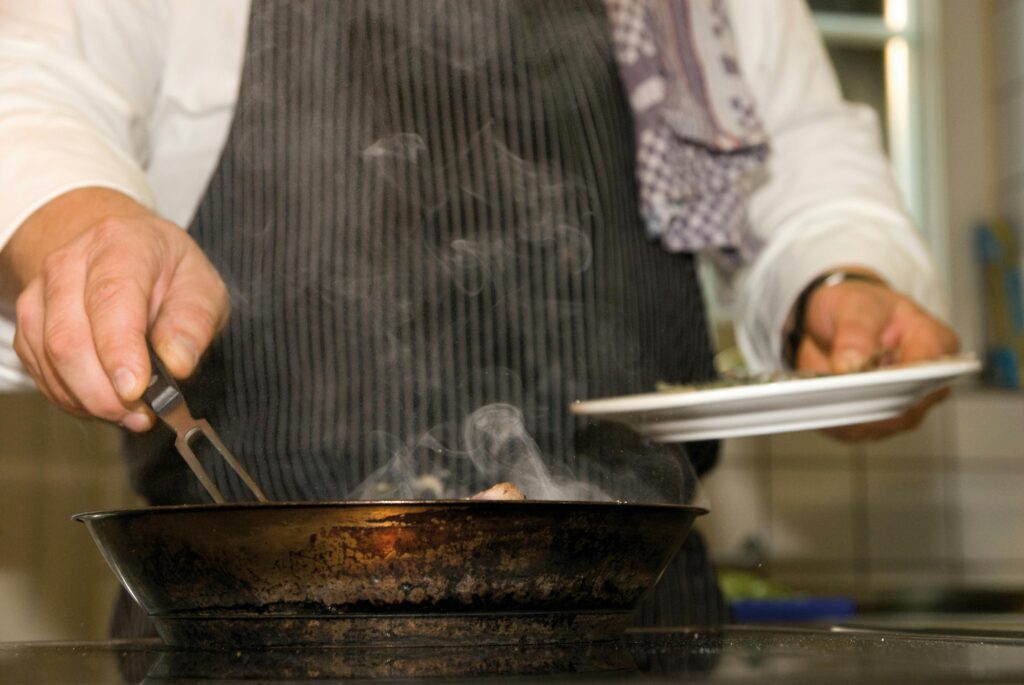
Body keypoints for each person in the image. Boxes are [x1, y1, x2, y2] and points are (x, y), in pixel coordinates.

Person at [0, 0, 958, 634]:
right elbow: (33, 73)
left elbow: (792, 150)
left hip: (638, 621)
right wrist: (82, 224)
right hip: (243, 631)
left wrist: (841, 276)